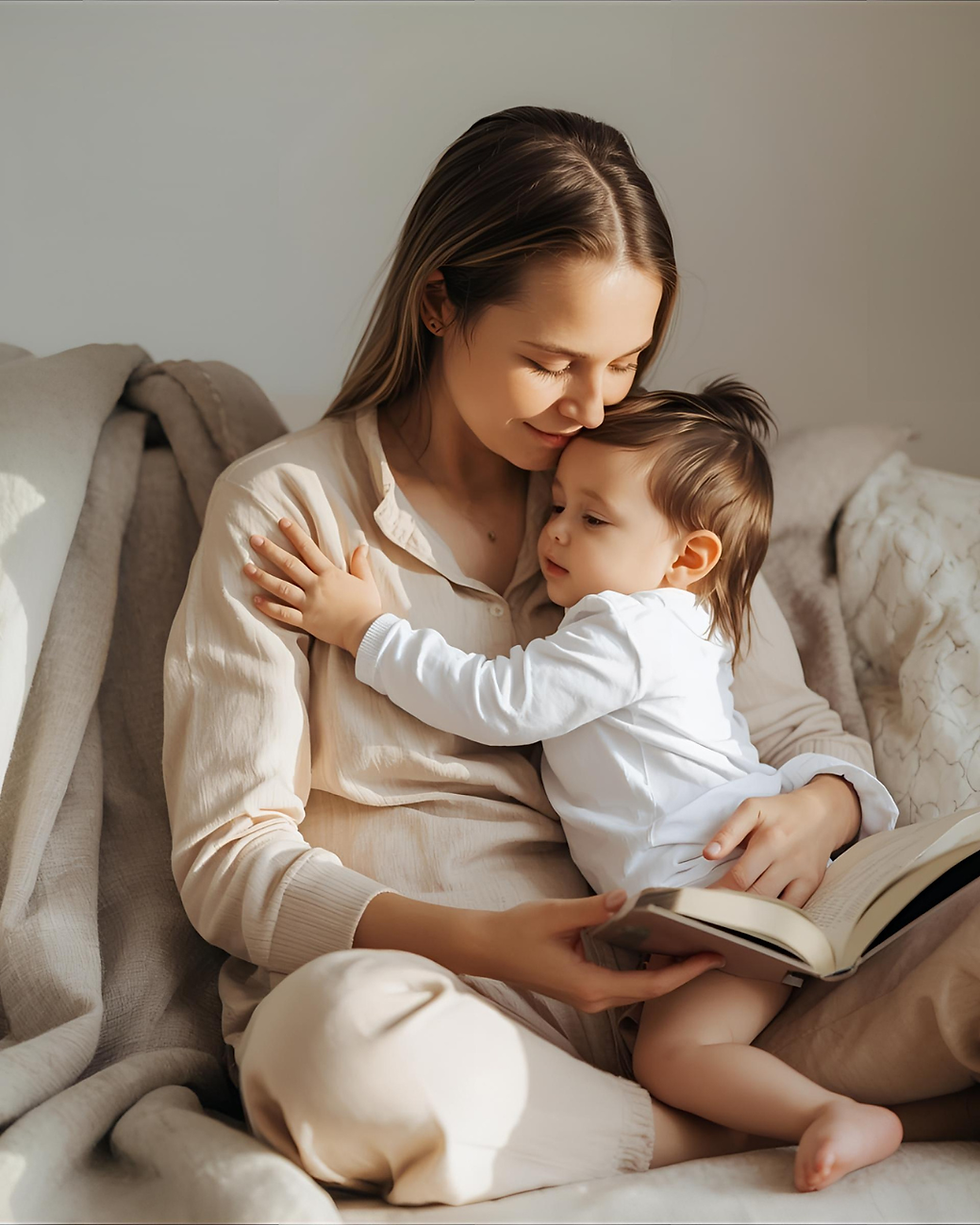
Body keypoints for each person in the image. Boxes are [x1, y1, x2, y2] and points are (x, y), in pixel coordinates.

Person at [162, 106, 980, 1208]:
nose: (588, 407)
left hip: (711, 988)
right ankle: (717, 1123)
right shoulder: (289, 509)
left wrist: (819, 809)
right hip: (449, 1011)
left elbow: (798, 736)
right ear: (439, 302)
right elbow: (229, 857)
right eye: (548, 362)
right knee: (334, 1047)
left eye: (624, 362)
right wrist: (493, 943)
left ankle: (741, 1096)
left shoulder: (636, 489)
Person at [241, 379, 905, 1192]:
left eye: (591, 519)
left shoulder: (624, 627)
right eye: (556, 504)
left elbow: (496, 699)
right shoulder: (678, 619)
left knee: (675, 1055)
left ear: (689, 557)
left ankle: (820, 1115)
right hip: (716, 896)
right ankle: (813, 1111)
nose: (554, 531)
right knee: (676, 1049)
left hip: (719, 896)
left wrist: (363, 630)